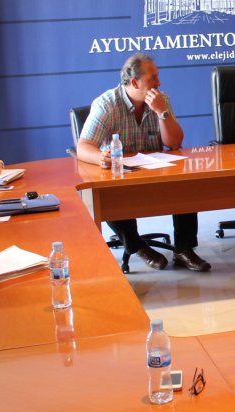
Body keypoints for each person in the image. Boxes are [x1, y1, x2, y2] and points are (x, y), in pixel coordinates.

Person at [76, 53, 209, 272]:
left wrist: (161, 112)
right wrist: (100, 157)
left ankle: (184, 250)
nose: (159, 83)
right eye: (153, 78)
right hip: (118, 174)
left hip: (153, 170)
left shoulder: (161, 99)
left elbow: (174, 143)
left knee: (185, 184)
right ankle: (137, 246)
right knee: (107, 195)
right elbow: (83, 146)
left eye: (158, 77)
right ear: (135, 82)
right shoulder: (106, 104)